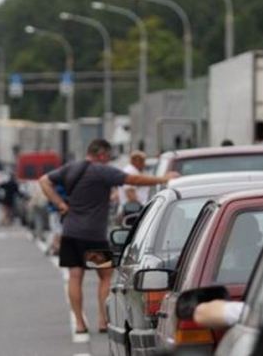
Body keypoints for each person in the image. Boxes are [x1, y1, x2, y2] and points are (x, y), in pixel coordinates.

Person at [39, 139, 179, 336]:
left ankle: (79, 323)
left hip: (71, 233)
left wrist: (61, 204)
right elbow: (134, 180)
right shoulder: (103, 171)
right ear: (102, 154)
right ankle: (103, 320)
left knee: (75, 276)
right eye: (108, 155)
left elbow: (44, 181)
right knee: (105, 276)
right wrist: (162, 179)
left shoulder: (71, 168)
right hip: (94, 236)